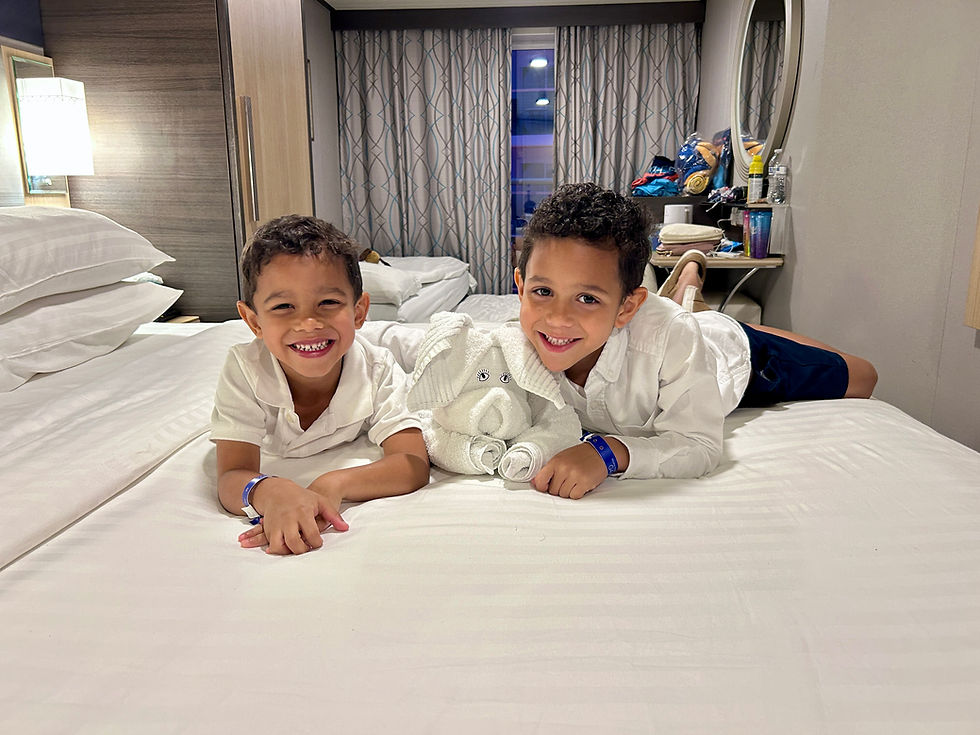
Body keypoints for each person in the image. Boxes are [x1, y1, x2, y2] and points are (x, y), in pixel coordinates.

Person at [514, 182, 877, 500]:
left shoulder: (673, 335)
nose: (557, 318)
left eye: (587, 298)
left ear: (627, 307)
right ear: (520, 286)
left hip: (737, 356)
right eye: (543, 291)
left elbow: (699, 446)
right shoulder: (514, 346)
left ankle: (703, 301)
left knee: (862, 377)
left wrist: (608, 453)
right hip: (673, 329)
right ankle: (689, 288)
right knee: (682, 321)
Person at [210, 215, 430, 555]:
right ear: (254, 322)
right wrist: (270, 491)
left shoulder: (377, 368)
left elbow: (412, 463)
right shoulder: (245, 370)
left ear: (359, 312)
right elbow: (232, 475)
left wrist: (333, 484)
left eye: (328, 303)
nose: (308, 323)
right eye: (283, 306)